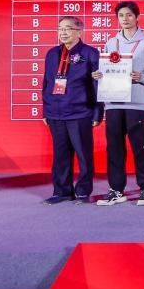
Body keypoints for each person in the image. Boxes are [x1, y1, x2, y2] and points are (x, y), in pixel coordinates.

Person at [93, 1, 144, 206]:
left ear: (137, 17)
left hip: (137, 102)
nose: (125, 19)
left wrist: (143, 76)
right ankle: (116, 190)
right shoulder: (110, 43)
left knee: (142, 147)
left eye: (129, 15)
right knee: (114, 148)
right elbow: (106, 68)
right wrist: (99, 75)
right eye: (121, 15)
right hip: (113, 102)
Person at [41, 16, 102, 204]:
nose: (63, 32)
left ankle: (83, 191)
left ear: (79, 32)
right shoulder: (52, 54)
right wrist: (45, 110)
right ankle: (61, 192)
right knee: (60, 155)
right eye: (60, 29)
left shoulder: (90, 53)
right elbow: (46, 82)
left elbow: (98, 85)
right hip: (55, 112)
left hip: (80, 112)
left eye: (67, 28)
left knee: (83, 154)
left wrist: (97, 112)